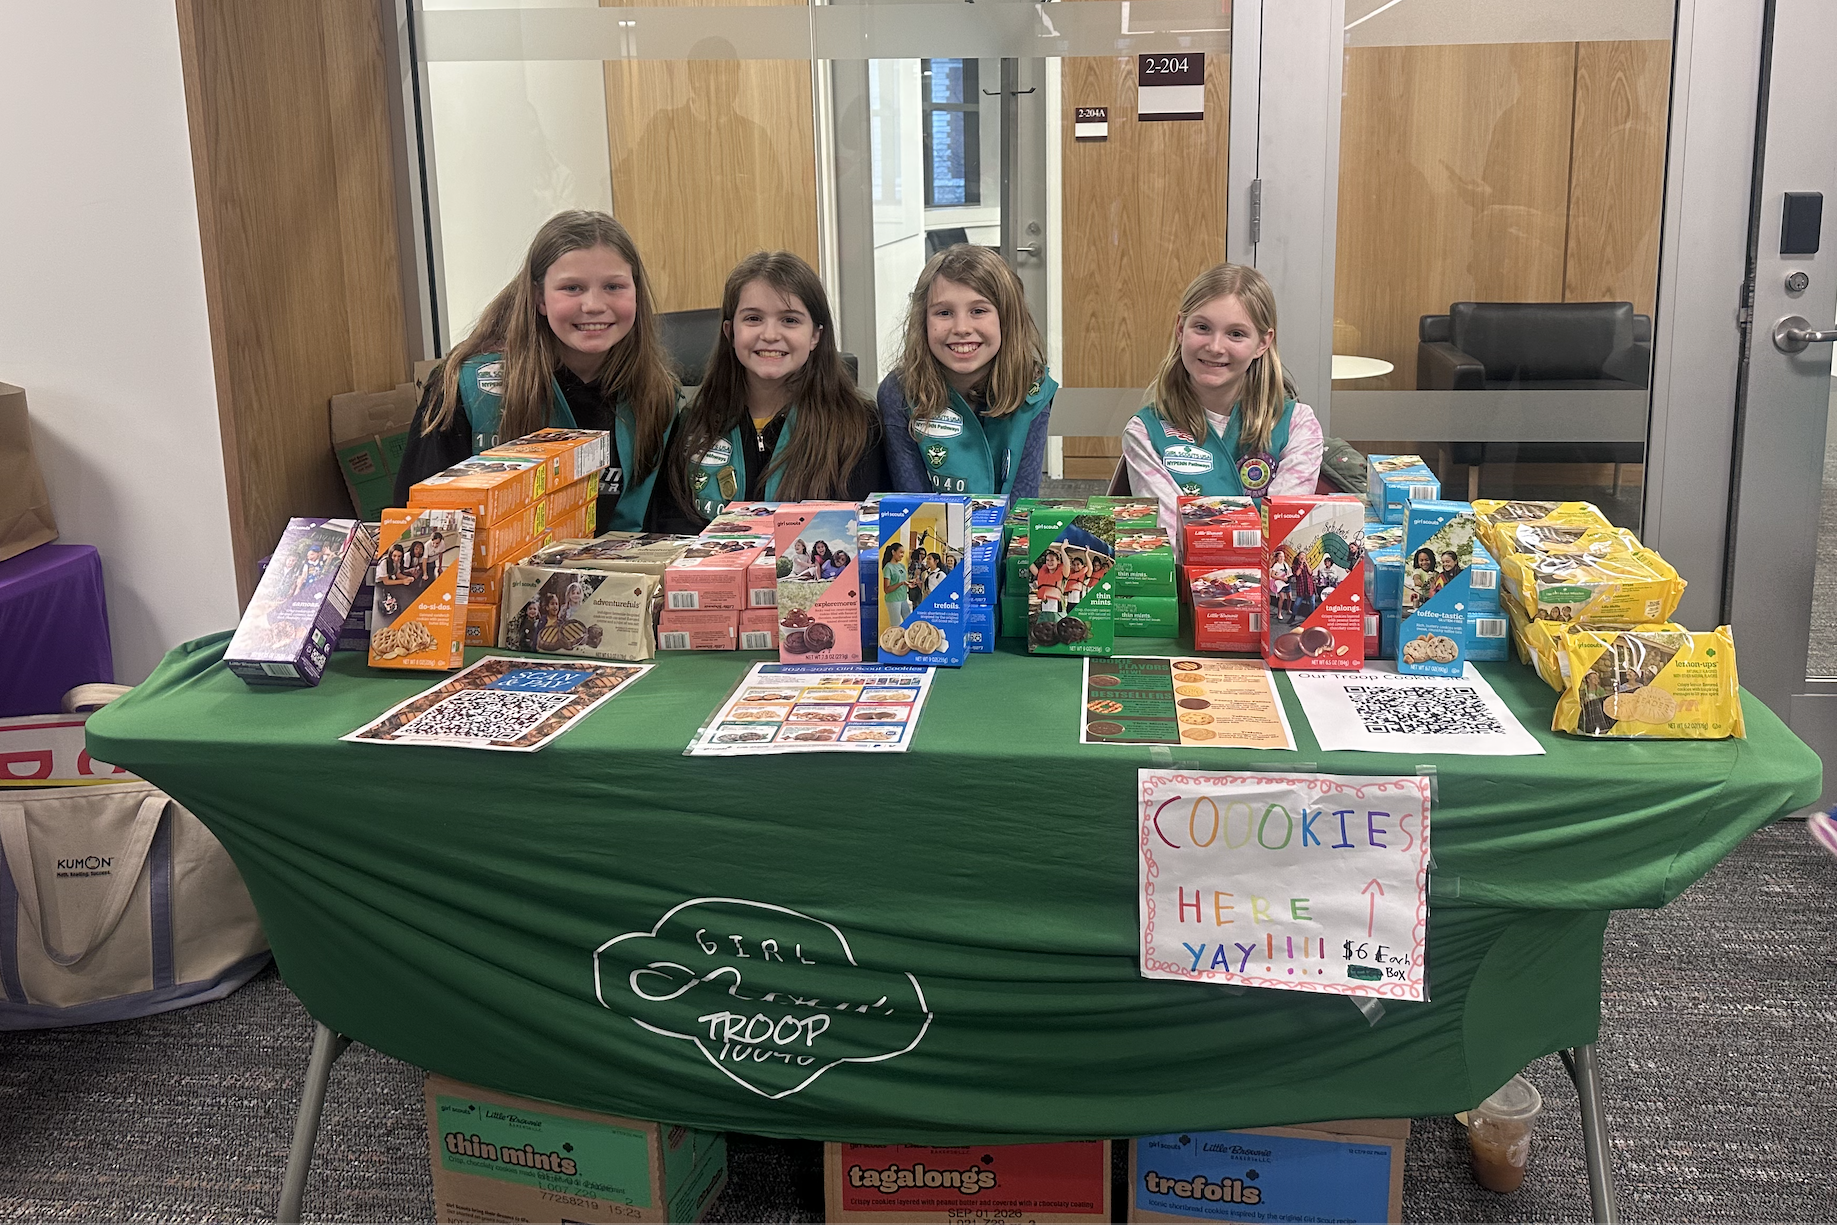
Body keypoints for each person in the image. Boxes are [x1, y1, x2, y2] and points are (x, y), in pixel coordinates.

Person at [395, 210, 678, 533]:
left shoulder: (660, 397)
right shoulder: (466, 389)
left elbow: (668, 531)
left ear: (637, 294)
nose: (594, 305)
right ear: (538, 298)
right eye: (572, 288)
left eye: (614, 286)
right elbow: (412, 529)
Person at [655, 251, 885, 531]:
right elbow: (670, 529)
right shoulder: (694, 422)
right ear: (730, 332)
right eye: (753, 319)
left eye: (790, 320)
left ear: (815, 336)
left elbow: (866, 535)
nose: (770, 335)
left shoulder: (858, 425)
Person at [1122, 263, 1324, 551]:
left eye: (1236, 334)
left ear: (1263, 343)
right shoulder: (1145, 431)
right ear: (1181, 329)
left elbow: (1282, 536)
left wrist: (1200, 525)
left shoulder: (1298, 425)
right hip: (1184, 591)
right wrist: (1249, 520)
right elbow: (1170, 543)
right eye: (1202, 327)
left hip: (1269, 591)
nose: (1215, 347)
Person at [878, 245, 1056, 497]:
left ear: (1007, 319)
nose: (961, 327)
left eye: (978, 311)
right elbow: (913, 502)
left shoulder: (1032, 388)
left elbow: (1023, 503)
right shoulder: (899, 391)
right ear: (923, 322)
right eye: (944, 312)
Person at [881, 542, 912, 623]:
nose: (902, 555)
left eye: (903, 553)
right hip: (893, 600)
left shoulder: (902, 566)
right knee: (896, 624)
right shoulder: (888, 567)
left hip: (903, 598)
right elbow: (886, 589)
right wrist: (901, 583)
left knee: (909, 621)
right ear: (893, 552)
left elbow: (903, 581)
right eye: (901, 552)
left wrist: (911, 582)